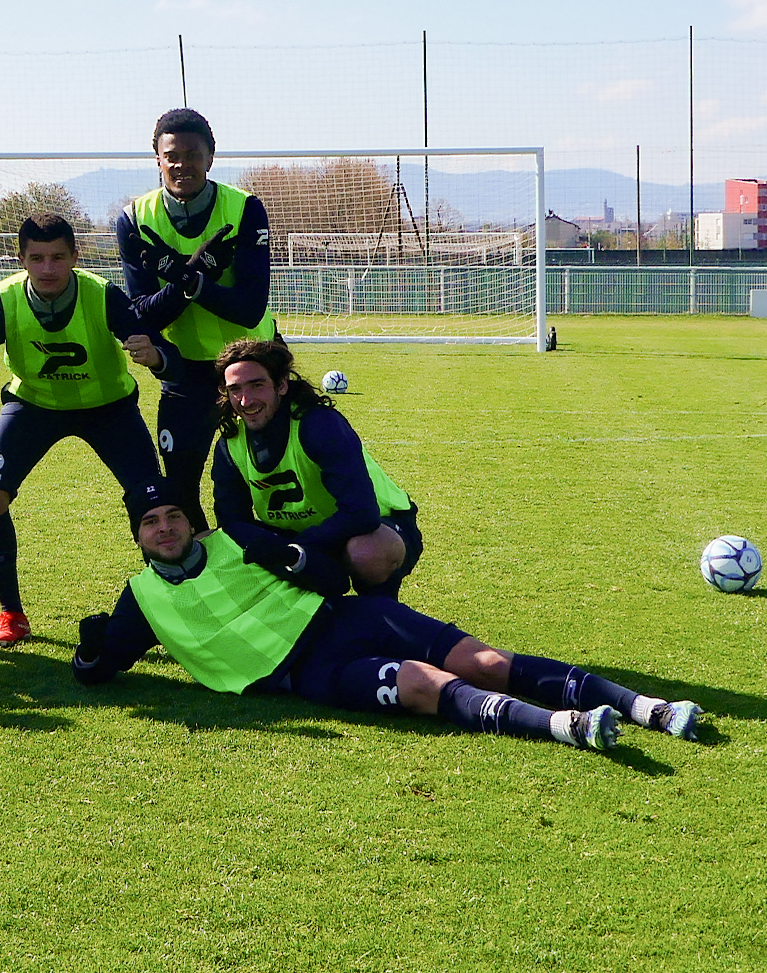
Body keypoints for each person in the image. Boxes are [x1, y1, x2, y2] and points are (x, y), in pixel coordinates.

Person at [72, 480, 706, 752]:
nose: (164, 529)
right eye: (151, 523)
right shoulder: (142, 597)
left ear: (191, 521)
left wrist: (289, 556)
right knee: (421, 685)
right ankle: (566, 727)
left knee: (483, 661)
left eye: (173, 517)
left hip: (348, 619)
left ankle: (645, 706)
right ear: (138, 536)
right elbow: (100, 671)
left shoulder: (235, 541)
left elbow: (325, 578)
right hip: (306, 675)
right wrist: (92, 647)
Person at [0, 212, 177, 646]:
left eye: (57, 257)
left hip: (107, 409)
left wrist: (154, 355)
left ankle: (165, 603)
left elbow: (154, 346)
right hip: (34, 406)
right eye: (37, 258)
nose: (47, 269)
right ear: (21, 259)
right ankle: (11, 615)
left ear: (74, 256)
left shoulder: (102, 293)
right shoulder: (1, 299)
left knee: (154, 502)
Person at [118, 108, 276, 533]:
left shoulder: (245, 210)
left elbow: (248, 308)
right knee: (180, 487)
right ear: (157, 158)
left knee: (270, 479)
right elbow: (142, 315)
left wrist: (183, 278)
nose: (181, 164)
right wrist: (193, 278)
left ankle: (272, 565)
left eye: (192, 154)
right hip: (185, 374)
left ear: (210, 157)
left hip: (253, 365)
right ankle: (204, 576)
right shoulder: (134, 219)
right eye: (172, 155)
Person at [211, 339, 419, 598]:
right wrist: (282, 550)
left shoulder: (318, 425)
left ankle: (383, 614)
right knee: (209, 545)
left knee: (365, 553)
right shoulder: (230, 444)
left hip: (377, 525)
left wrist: (290, 549)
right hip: (300, 534)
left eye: (257, 385)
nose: (245, 400)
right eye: (235, 389)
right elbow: (232, 522)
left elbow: (361, 513)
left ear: (282, 384)